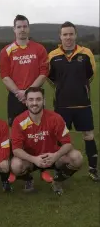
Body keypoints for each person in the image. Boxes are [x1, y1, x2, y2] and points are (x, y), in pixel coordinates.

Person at [0, 14, 50, 183]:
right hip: (16, 97)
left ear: (29, 28)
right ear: (14, 29)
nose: (22, 29)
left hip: (35, 97)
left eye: (25, 26)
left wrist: (29, 92)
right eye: (19, 27)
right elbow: (5, 76)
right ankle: (16, 166)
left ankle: (43, 167)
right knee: (15, 131)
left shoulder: (39, 49)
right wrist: (19, 93)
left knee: (40, 131)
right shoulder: (6, 51)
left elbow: (44, 72)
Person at [48, 21, 99, 181]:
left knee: (89, 135)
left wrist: (79, 87)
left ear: (75, 35)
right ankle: (59, 168)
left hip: (83, 104)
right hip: (62, 105)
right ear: (60, 36)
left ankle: (93, 169)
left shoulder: (86, 53)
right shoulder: (53, 56)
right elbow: (51, 79)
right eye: (65, 34)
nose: (68, 37)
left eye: (71, 34)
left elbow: (90, 76)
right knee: (59, 139)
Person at [10, 87, 83, 195]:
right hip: (31, 159)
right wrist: (34, 159)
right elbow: (16, 150)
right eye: (31, 100)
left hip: (53, 157)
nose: (34, 103)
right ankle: (28, 179)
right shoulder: (19, 121)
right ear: (26, 102)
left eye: (38, 99)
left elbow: (67, 143)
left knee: (77, 157)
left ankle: (57, 181)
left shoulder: (55, 118)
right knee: (15, 165)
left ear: (43, 101)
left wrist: (56, 155)